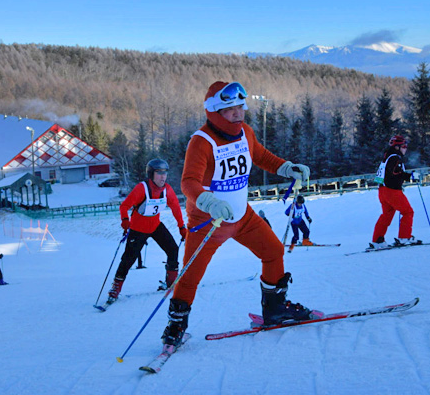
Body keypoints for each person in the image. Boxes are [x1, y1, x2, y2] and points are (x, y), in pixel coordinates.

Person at [160, 81, 322, 349]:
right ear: (214, 111)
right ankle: (175, 327)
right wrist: (209, 202)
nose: (238, 112)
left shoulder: (245, 132)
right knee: (190, 276)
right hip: (209, 222)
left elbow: (260, 156)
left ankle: (275, 309)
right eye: (229, 108)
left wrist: (287, 168)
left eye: (240, 106)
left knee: (273, 252)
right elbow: (188, 182)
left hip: (242, 217)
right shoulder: (201, 142)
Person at [107, 159, 187, 301]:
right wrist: (125, 220)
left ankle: (171, 282)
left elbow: (175, 207)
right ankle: (116, 288)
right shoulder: (141, 188)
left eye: (165, 173)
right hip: (138, 229)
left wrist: (181, 227)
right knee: (128, 259)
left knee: (173, 249)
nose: (163, 177)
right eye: (159, 173)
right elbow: (124, 206)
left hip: (156, 226)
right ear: (151, 174)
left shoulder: (167, 189)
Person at [370, 135, 421, 249]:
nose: (405, 148)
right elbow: (395, 173)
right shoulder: (394, 157)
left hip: (382, 190)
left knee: (386, 215)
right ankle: (404, 237)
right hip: (391, 191)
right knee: (408, 212)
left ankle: (378, 240)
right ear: (397, 147)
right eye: (403, 146)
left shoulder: (387, 156)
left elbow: (388, 173)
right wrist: (411, 176)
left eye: (406, 146)